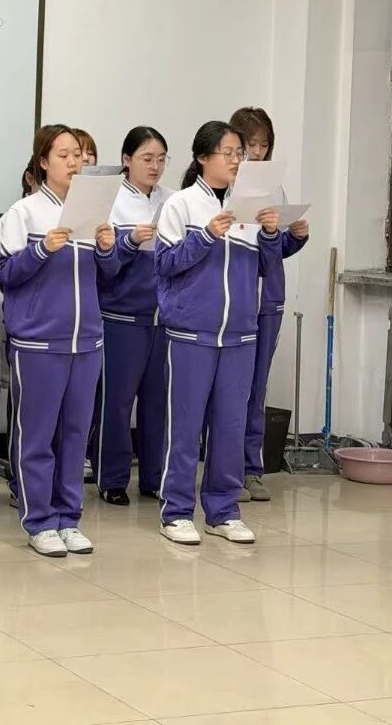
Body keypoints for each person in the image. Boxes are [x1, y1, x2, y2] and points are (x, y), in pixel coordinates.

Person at [156, 121, 283, 546]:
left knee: (230, 425)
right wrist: (207, 236)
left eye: (239, 154)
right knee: (185, 426)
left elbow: (265, 267)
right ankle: (176, 512)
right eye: (227, 153)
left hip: (240, 335)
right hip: (191, 333)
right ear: (202, 158)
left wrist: (270, 234)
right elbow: (165, 264)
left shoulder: (250, 207)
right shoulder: (181, 205)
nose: (236, 160)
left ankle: (223, 511)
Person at [0, 125, 116, 557]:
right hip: (39, 343)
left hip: (86, 342)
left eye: (78, 154)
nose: (73, 162)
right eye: (63, 154)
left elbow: (109, 275)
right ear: (43, 162)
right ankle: (39, 521)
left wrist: (108, 248)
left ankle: (69, 518)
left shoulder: (95, 211)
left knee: (75, 436)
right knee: (37, 436)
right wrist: (41, 249)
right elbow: (5, 274)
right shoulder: (23, 213)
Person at [229, 107, 309, 502]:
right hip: (235, 300)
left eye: (263, 144)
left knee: (257, 387)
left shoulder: (275, 189)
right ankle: (226, 470)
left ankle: (251, 470)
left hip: (269, 301)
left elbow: (274, 252)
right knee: (232, 389)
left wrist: (296, 236)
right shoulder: (225, 185)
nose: (257, 152)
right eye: (250, 144)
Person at [92, 126, 172, 505]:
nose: (155, 166)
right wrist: (130, 240)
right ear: (126, 159)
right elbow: (105, 266)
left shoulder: (172, 201)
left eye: (161, 159)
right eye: (147, 158)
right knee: (116, 403)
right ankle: (111, 478)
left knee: (158, 404)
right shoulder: (110, 201)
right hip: (120, 318)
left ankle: (154, 478)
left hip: (163, 319)